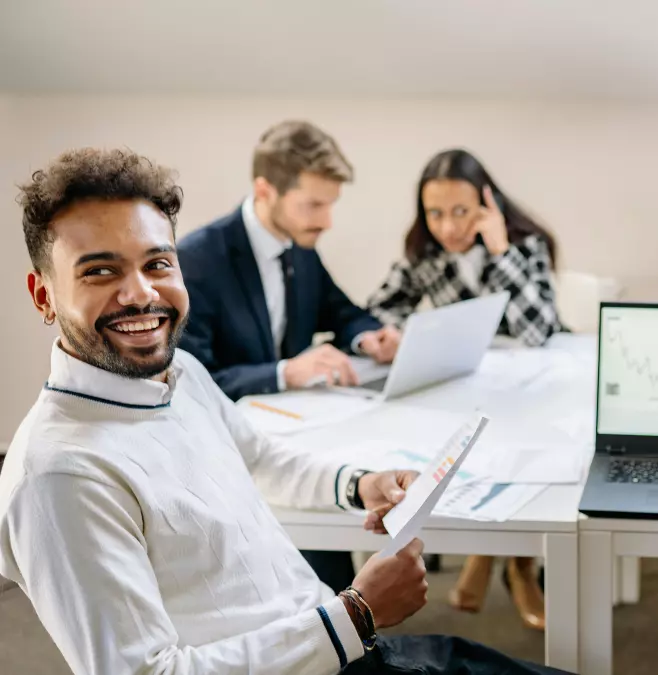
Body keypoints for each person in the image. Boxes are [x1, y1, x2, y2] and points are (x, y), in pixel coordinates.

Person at [0, 148, 568, 675]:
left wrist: (359, 484)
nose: (140, 293)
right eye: (100, 271)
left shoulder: (181, 375)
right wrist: (358, 614)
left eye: (157, 263)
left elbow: (261, 460)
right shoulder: (59, 475)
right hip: (336, 645)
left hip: (337, 645)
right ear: (43, 295)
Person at [178, 120, 399, 592]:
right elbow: (189, 378)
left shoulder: (300, 248)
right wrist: (283, 371)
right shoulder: (198, 259)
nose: (327, 220)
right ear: (265, 190)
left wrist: (369, 338)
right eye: (314, 205)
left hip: (303, 428)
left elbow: (341, 311)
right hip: (232, 448)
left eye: (330, 204)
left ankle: (341, 609)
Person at [367, 149, 563, 631]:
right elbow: (378, 310)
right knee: (460, 438)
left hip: (533, 383)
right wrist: (391, 334)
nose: (449, 227)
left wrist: (501, 253)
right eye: (435, 213)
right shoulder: (426, 255)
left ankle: (504, 561)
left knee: (523, 443)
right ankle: (500, 558)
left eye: (461, 211)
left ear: (487, 204)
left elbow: (538, 329)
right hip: (471, 380)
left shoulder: (525, 244)